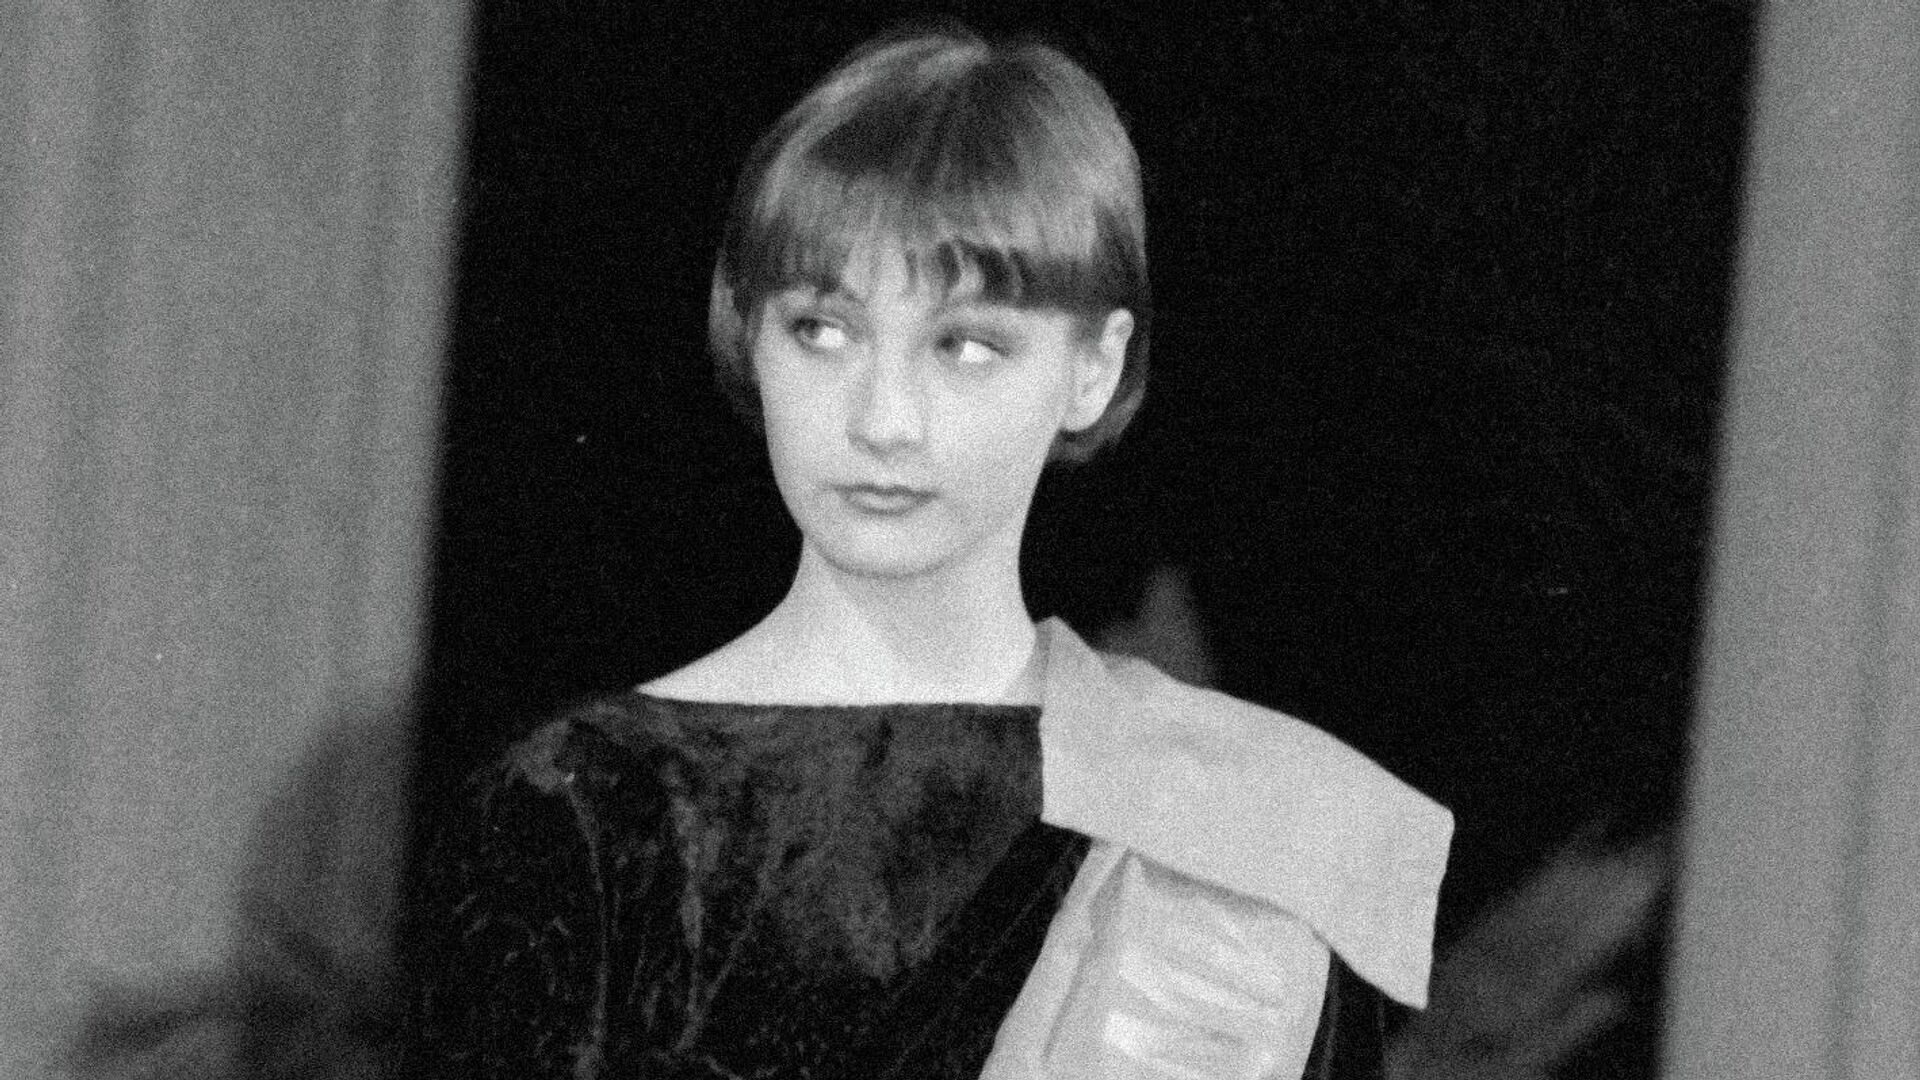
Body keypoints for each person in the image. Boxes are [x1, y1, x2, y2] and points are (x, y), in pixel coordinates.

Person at [398, 22, 1452, 1080]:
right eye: (823, 329)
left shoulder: (1256, 830)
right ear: (749, 335)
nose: (884, 420)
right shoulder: (578, 814)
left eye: (967, 346)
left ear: (1094, 368)